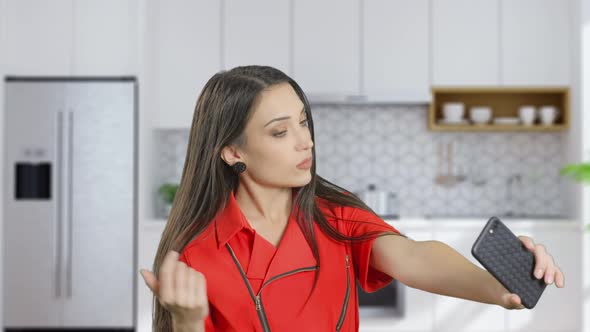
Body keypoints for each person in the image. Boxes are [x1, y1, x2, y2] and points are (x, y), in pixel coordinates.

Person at [140, 65, 565, 332]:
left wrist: (499, 288)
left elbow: (415, 257)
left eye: (304, 122)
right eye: (280, 132)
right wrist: (187, 321)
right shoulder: (199, 254)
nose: (305, 142)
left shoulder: (334, 216)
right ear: (233, 152)